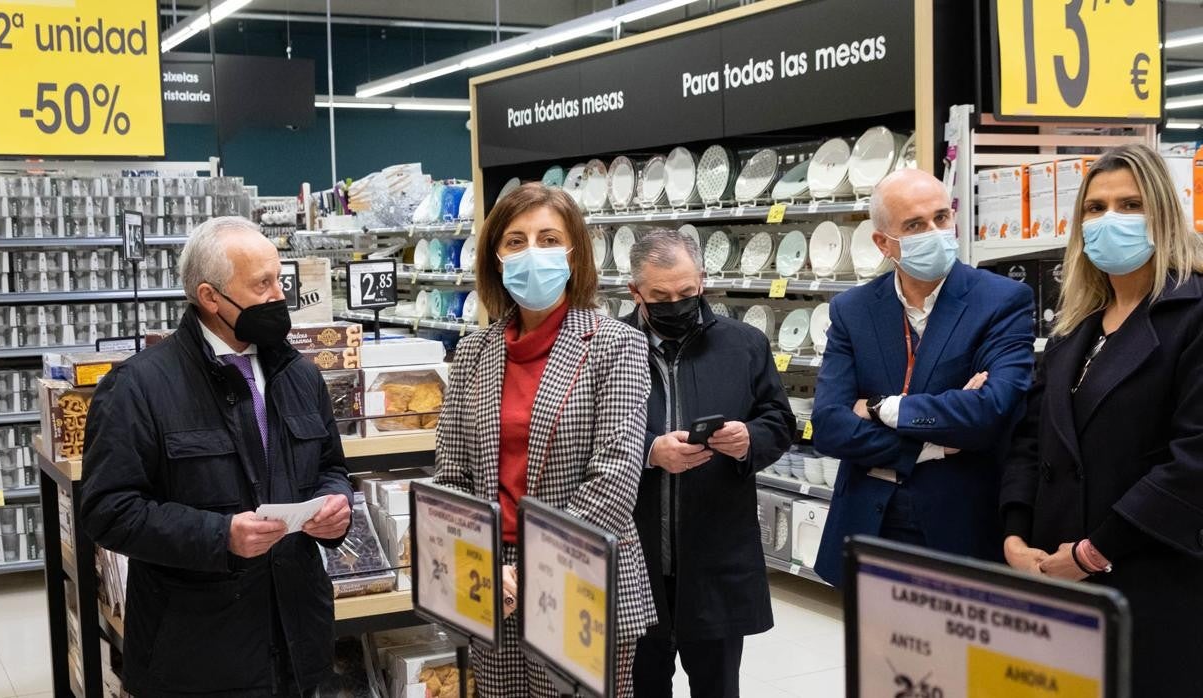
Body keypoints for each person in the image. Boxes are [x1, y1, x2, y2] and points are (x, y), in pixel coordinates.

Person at [81, 216, 354, 697]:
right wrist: (221, 535)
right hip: (196, 656)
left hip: (298, 639)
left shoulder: (299, 375)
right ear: (210, 298)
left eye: (279, 280)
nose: (278, 296)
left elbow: (330, 467)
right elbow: (109, 511)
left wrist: (336, 508)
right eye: (261, 284)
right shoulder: (138, 387)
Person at [433, 183, 655, 697]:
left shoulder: (615, 345)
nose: (532, 252)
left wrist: (534, 564)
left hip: (581, 575)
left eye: (549, 238)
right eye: (515, 241)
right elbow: (453, 475)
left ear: (574, 255)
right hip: (493, 581)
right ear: (495, 258)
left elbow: (616, 478)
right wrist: (486, 563)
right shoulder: (472, 354)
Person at [1000, 144, 1203, 696]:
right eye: (1095, 208)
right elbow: (1030, 436)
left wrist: (1095, 552)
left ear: (1163, 213)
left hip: (1146, 575)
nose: (1110, 220)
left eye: (1130, 204)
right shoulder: (1075, 326)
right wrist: (1015, 534)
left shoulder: (1192, 315)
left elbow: (1191, 465)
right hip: (1055, 570)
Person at [811, 168, 1036, 585]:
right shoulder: (853, 310)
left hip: (960, 523)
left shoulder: (1001, 301)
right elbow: (827, 426)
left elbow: (992, 410)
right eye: (915, 225)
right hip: (868, 520)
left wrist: (880, 408)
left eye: (940, 218)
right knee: (876, 650)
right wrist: (929, 446)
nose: (934, 232)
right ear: (883, 243)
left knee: (962, 651)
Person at [621, 229, 794, 698]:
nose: (675, 304)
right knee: (639, 687)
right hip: (634, 563)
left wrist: (747, 440)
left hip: (716, 557)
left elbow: (779, 421)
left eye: (687, 292)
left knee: (718, 687)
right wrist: (650, 451)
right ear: (635, 292)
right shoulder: (609, 349)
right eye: (660, 296)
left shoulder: (744, 345)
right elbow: (582, 435)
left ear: (702, 280)